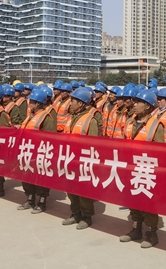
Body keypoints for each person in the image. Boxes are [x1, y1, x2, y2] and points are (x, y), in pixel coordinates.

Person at [119, 90, 164, 248]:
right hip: (130, 167)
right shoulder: (130, 121)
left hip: (147, 170)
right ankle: (136, 229)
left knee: (148, 203)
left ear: (148, 106)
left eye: (139, 102)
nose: (135, 104)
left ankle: (152, 233)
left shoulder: (155, 125)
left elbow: (160, 152)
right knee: (133, 200)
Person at [61, 87, 101, 230]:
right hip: (70, 158)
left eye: (74, 101)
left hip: (83, 160)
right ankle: (75, 213)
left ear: (81, 103)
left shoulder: (90, 120)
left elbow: (93, 144)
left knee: (83, 191)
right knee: (71, 189)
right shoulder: (72, 117)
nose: (71, 103)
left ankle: (86, 216)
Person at [18, 88, 57, 213]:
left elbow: (50, 139)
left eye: (32, 102)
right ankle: (30, 199)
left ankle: (42, 202)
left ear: (39, 103)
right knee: (26, 177)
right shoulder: (31, 115)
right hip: (27, 152)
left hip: (39, 153)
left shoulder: (46, 117)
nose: (29, 104)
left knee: (40, 179)